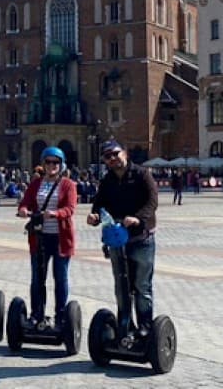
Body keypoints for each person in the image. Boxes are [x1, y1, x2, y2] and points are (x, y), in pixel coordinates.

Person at [87, 139, 159, 338]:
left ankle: (145, 326)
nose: (112, 158)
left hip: (141, 239)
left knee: (142, 286)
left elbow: (152, 201)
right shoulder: (107, 180)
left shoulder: (142, 174)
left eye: (115, 154)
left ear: (125, 153)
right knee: (121, 286)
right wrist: (94, 216)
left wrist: (138, 218)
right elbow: (100, 204)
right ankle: (125, 324)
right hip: (118, 241)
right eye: (107, 156)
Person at [17, 146, 77, 330]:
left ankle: (61, 315)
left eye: (56, 162)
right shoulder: (35, 184)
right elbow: (25, 202)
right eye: (48, 162)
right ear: (43, 164)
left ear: (61, 164)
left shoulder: (68, 185)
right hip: (39, 237)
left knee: (60, 278)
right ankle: (37, 314)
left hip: (60, 238)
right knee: (37, 278)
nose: (52, 165)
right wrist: (23, 210)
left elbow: (70, 208)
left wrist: (55, 214)